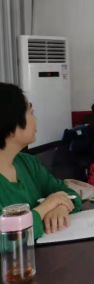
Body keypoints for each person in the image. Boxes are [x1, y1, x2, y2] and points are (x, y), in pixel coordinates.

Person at [0, 83, 82, 239]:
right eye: (31, 112)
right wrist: (46, 206)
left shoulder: (28, 163)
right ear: (10, 122)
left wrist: (61, 207)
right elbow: (6, 238)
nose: (35, 118)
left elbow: (68, 193)